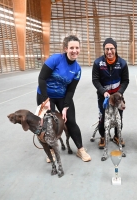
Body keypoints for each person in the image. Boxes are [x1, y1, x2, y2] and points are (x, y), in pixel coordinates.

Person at [37, 34, 91, 162]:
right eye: (71, 48)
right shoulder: (55, 59)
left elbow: (71, 89)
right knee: (49, 124)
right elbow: (42, 78)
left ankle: (80, 149)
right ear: (66, 48)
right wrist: (46, 100)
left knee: (71, 121)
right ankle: (51, 151)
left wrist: (66, 106)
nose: (74, 51)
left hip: (62, 96)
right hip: (45, 94)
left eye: (77, 48)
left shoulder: (77, 69)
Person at [92, 38, 129, 149]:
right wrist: (103, 92)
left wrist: (119, 93)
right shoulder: (98, 63)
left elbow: (125, 80)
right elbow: (95, 80)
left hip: (118, 96)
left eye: (111, 49)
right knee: (103, 117)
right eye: (107, 49)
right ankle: (103, 136)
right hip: (103, 96)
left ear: (115, 49)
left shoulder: (122, 63)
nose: (109, 52)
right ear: (104, 50)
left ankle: (117, 136)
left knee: (119, 116)